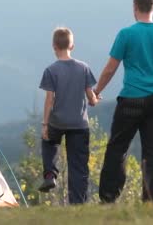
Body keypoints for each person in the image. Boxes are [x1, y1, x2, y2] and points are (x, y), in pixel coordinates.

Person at [94, 0, 153, 203]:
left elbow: (110, 68)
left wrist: (97, 91)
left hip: (131, 100)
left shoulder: (126, 34)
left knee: (117, 148)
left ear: (135, 7)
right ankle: (149, 199)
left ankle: (108, 198)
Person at [38, 27, 99, 205]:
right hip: (79, 124)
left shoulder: (51, 70)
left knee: (49, 142)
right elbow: (91, 98)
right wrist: (95, 99)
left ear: (54, 46)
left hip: (58, 122)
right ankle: (78, 204)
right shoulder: (84, 68)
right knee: (78, 167)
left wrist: (45, 125)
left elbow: (49, 100)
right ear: (72, 45)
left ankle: (50, 173)